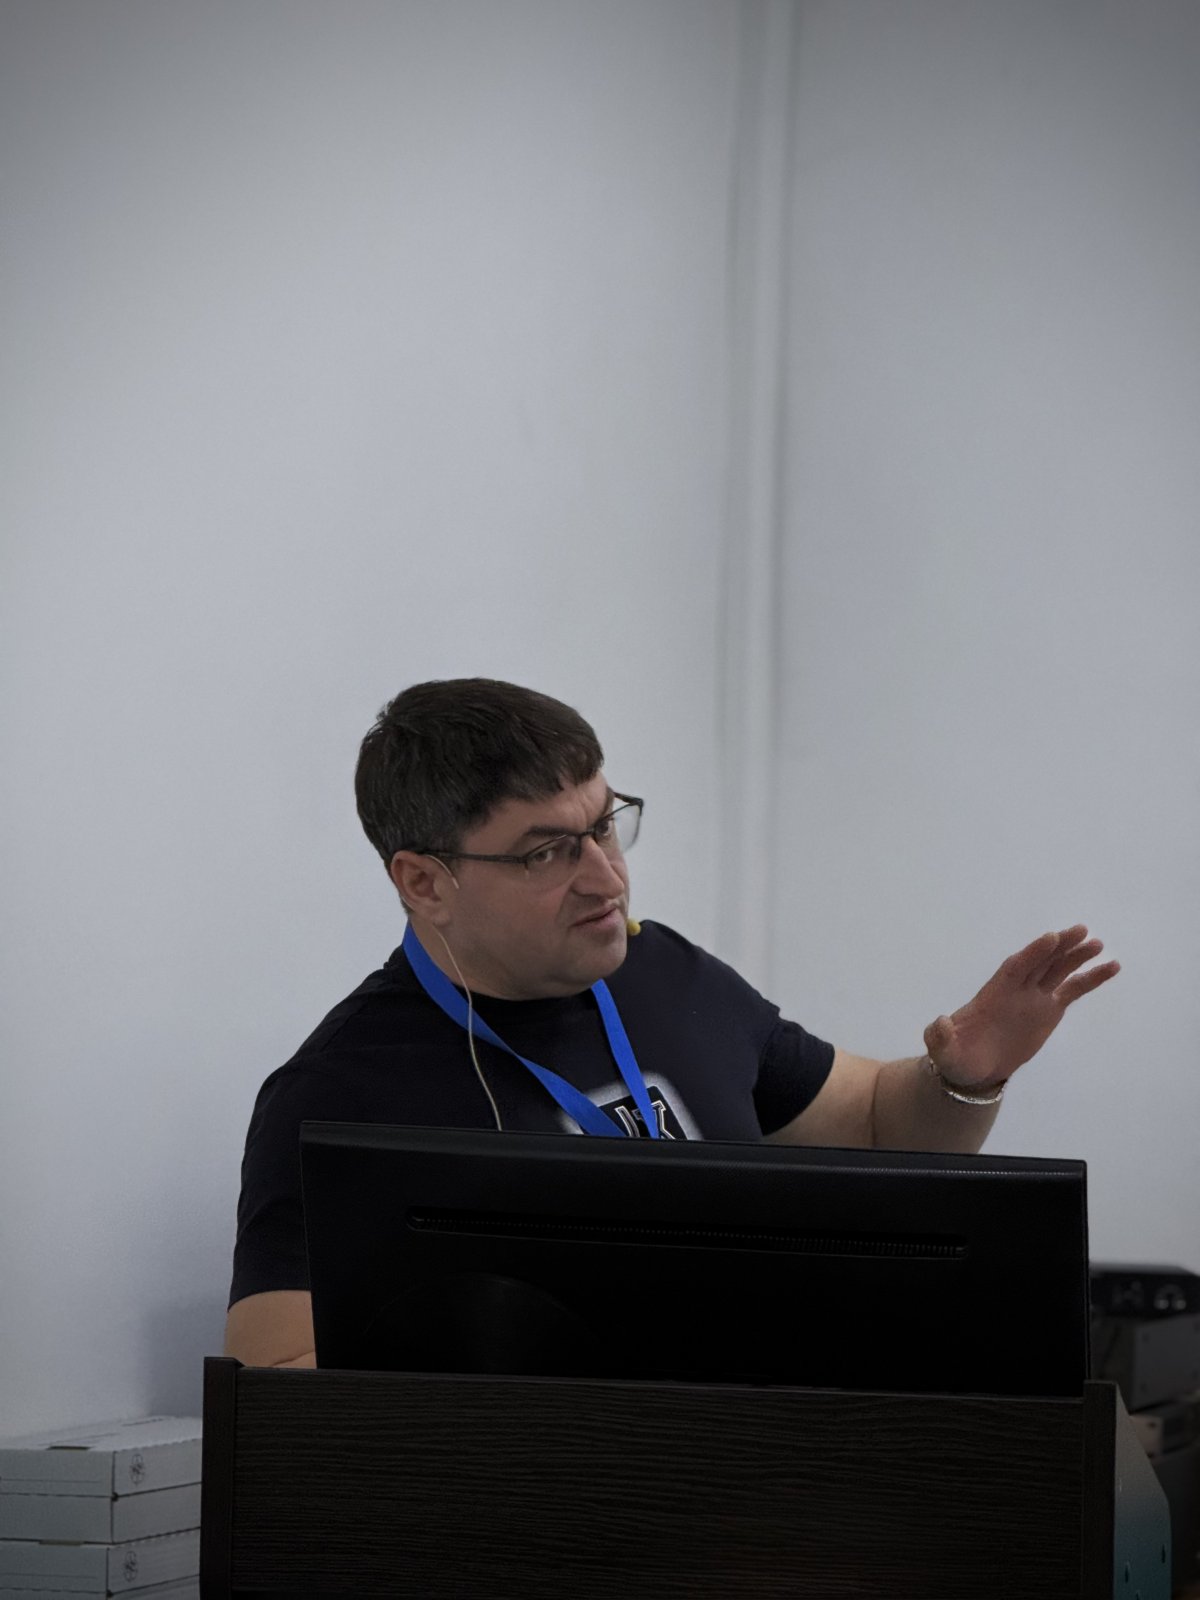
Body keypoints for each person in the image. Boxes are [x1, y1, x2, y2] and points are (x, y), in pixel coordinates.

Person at [224, 677, 1119, 1369]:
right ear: (424, 882)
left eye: (605, 826)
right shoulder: (340, 1090)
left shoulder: (666, 973)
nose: (607, 879)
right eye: (547, 852)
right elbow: (279, 1381)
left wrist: (964, 1074)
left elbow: (881, 1127)